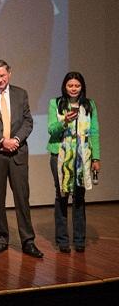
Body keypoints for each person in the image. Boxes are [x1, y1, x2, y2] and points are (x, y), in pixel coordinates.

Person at [0, 59, 43, 258]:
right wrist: (3, 141)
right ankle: (1, 239)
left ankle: (28, 241)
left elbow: (28, 121)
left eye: (2, 76)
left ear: (9, 74)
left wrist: (16, 140)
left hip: (17, 153)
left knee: (22, 198)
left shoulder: (21, 94)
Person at [47, 72, 100, 253]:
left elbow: (94, 132)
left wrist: (96, 158)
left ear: (82, 87)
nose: (73, 89)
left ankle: (79, 240)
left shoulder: (89, 104)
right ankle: (62, 240)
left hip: (83, 157)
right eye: (70, 85)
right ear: (65, 86)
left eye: (77, 86)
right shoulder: (56, 103)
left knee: (79, 198)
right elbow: (51, 130)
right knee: (61, 196)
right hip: (60, 156)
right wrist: (65, 121)